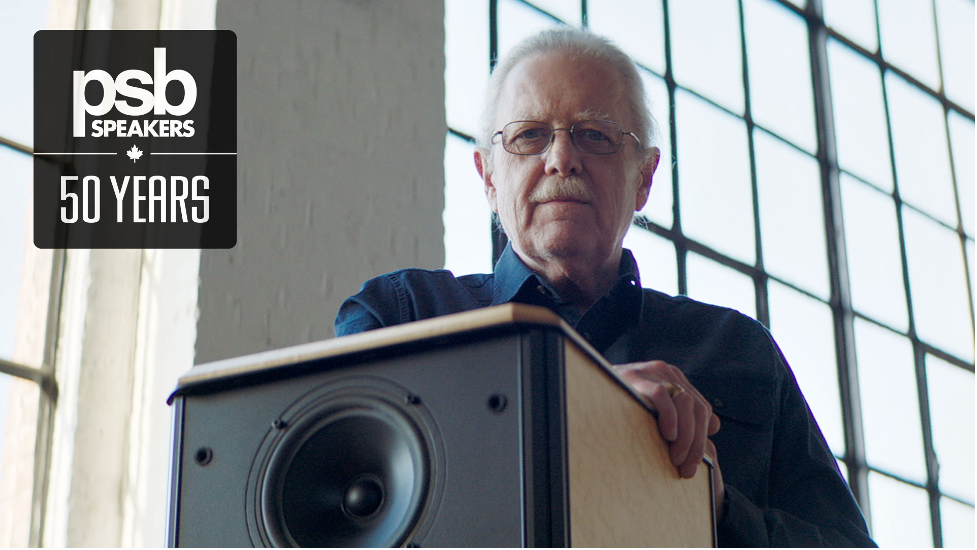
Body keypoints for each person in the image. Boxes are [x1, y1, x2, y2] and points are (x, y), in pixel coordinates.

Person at [335, 27, 874, 548]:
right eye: (529, 135)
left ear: (644, 178)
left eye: (594, 135)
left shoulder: (739, 349)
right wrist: (593, 413)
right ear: (489, 178)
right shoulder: (400, 315)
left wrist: (716, 508)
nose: (562, 158)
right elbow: (341, 507)